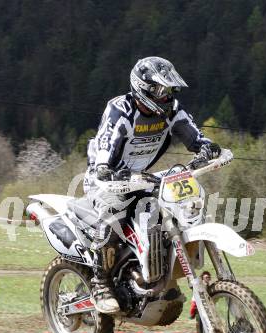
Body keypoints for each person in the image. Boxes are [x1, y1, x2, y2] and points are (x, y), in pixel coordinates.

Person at [83, 56, 221, 314]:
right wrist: (105, 169)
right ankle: (100, 282)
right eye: (160, 90)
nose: (166, 95)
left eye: (169, 90)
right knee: (113, 213)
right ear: (142, 87)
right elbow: (105, 145)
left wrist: (207, 149)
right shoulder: (121, 110)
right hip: (106, 179)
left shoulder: (172, 110)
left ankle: (165, 276)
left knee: (179, 208)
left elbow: (195, 137)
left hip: (141, 177)